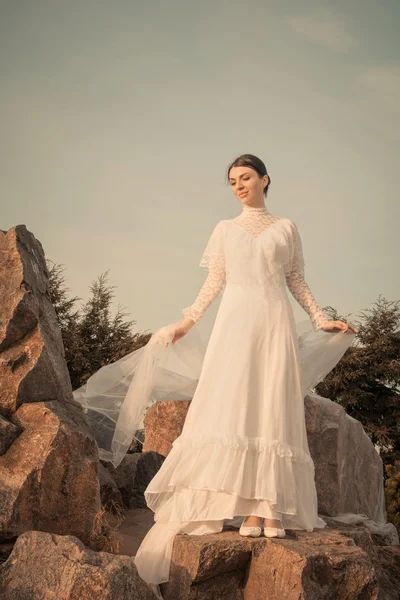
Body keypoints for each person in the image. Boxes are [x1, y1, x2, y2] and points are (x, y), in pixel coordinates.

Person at [74, 153, 364, 597]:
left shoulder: (286, 227)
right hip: (235, 322)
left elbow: (297, 281)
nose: (238, 185)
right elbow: (214, 283)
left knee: (271, 404)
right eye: (231, 181)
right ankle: (246, 505)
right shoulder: (225, 229)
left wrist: (322, 318)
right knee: (234, 404)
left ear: (265, 179)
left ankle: (269, 506)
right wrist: (186, 322)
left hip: (274, 322)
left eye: (245, 178)